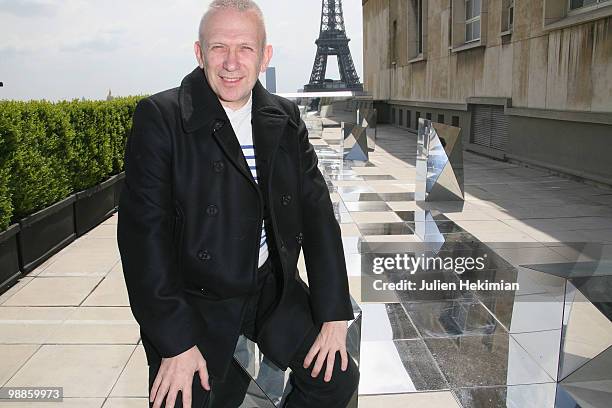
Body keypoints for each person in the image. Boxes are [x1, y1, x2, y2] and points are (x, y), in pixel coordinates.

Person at [116, 1, 359, 407]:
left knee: (335, 376)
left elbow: (317, 216)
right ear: (199, 53)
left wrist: (333, 313)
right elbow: (143, 244)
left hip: (269, 287)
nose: (231, 62)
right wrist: (175, 343)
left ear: (265, 56)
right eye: (218, 48)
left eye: (245, 48)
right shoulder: (161, 116)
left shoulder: (285, 117)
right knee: (182, 399)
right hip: (194, 297)